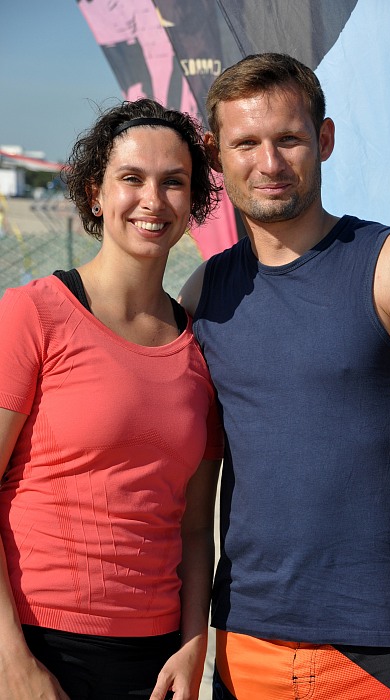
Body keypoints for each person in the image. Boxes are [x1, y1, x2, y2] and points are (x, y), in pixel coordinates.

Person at [179, 53, 390, 700]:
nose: (269, 163)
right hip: (244, 644)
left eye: (289, 139)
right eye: (246, 143)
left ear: (324, 139)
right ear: (216, 155)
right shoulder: (205, 295)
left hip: (384, 647)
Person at [0, 98, 223, 700]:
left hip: (153, 661)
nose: (153, 200)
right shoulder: (33, 314)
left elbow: (196, 526)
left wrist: (192, 643)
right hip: (37, 644)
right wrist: (11, 662)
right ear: (95, 193)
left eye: (173, 182)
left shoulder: (201, 349)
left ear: (193, 201)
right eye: (131, 178)